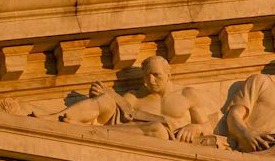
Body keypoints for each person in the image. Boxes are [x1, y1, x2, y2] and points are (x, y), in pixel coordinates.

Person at [59, 56, 216, 143]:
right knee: (107, 100)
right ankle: (59, 118)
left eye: (156, 75)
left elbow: (208, 126)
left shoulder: (187, 95)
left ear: (169, 74)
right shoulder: (134, 97)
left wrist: (195, 128)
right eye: (147, 76)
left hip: (167, 141)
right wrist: (100, 94)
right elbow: (113, 112)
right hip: (130, 133)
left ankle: (90, 131)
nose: (151, 81)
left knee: (159, 130)